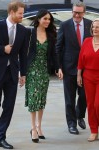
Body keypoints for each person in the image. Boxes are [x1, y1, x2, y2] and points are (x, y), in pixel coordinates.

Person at [0, 1, 27, 149]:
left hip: (12, 73)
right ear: (12, 12)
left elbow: (23, 54)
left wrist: (23, 74)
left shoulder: (23, 30)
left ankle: (0, 137)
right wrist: (3, 49)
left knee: (9, 106)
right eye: (20, 13)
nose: (22, 16)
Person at [56, 1, 92, 134]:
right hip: (69, 67)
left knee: (84, 96)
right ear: (72, 11)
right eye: (75, 12)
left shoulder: (90, 25)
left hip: (87, 68)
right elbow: (58, 47)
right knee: (69, 98)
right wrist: (59, 67)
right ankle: (71, 124)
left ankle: (79, 115)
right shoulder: (65, 25)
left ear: (84, 12)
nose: (76, 15)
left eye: (79, 12)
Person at [25, 9, 59, 143]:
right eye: (45, 18)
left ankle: (39, 126)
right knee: (34, 97)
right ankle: (33, 128)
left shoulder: (51, 34)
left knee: (41, 100)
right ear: (38, 19)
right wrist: (21, 71)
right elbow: (23, 51)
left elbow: (54, 54)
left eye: (49, 19)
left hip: (44, 70)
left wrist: (58, 68)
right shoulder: (30, 33)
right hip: (31, 70)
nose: (47, 21)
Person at [77, 18, 99, 142]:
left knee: (98, 104)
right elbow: (81, 59)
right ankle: (94, 130)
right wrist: (79, 75)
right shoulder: (86, 41)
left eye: (97, 27)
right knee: (90, 105)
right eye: (93, 27)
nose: (95, 29)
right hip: (88, 77)